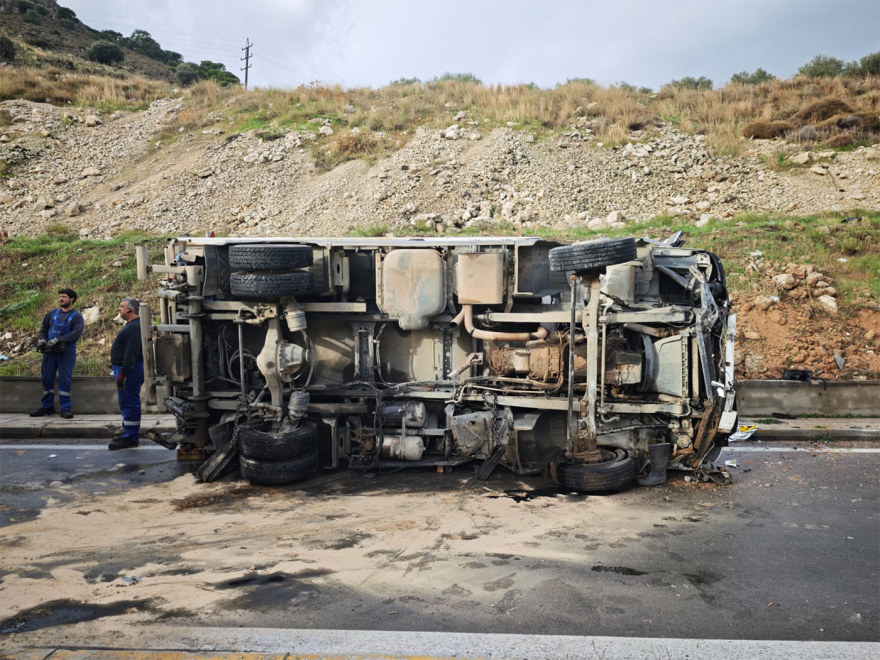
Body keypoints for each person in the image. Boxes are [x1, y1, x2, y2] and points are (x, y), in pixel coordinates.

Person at [30, 289, 84, 419]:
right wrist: (42, 340)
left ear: (71, 299)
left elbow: (75, 334)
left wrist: (58, 340)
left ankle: (65, 408)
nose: (60, 299)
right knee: (47, 378)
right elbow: (44, 328)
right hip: (49, 353)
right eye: (59, 296)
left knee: (65, 380)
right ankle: (47, 407)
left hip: (65, 353)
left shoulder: (76, 317)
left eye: (64, 297)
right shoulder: (52, 314)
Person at [108, 298, 144, 450]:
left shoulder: (134, 328)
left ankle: (131, 437)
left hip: (130, 370)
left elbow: (131, 353)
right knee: (126, 402)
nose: (119, 309)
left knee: (129, 402)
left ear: (130, 310)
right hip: (128, 369)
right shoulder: (132, 326)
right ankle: (128, 431)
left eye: (121, 306)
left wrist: (123, 373)